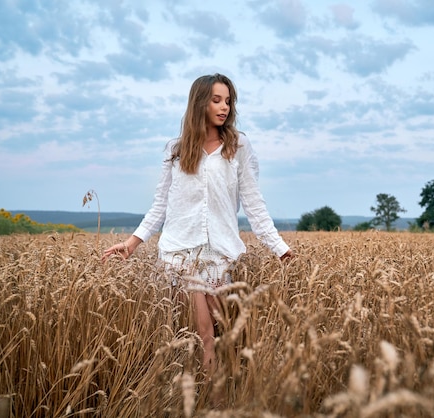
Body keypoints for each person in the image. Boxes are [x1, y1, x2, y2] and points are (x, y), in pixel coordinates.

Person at [103, 73, 293, 390]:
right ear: (199, 102)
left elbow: (254, 204)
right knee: (204, 333)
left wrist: (281, 248)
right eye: (216, 100)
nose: (224, 107)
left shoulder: (238, 146)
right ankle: (209, 403)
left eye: (228, 101)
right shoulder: (176, 150)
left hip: (219, 253)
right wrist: (132, 243)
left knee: (224, 332)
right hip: (180, 254)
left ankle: (219, 395)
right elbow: (160, 205)